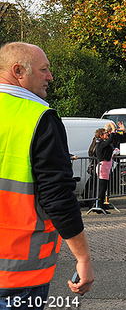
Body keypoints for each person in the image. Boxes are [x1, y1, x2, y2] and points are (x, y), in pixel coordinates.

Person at [0, 42, 94, 308]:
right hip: (16, 272)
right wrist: (83, 258)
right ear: (18, 71)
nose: (50, 77)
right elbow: (58, 196)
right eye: (44, 70)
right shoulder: (38, 118)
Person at [95, 122, 126, 212]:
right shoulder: (100, 142)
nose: (107, 134)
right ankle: (99, 205)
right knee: (102, 186)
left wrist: (124, 131)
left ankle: (104, 203)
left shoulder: (113, 137)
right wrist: (114, 130)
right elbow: (106, 144)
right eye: (106, 132)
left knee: (106, 185)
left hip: (109, 164)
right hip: (103, 166)